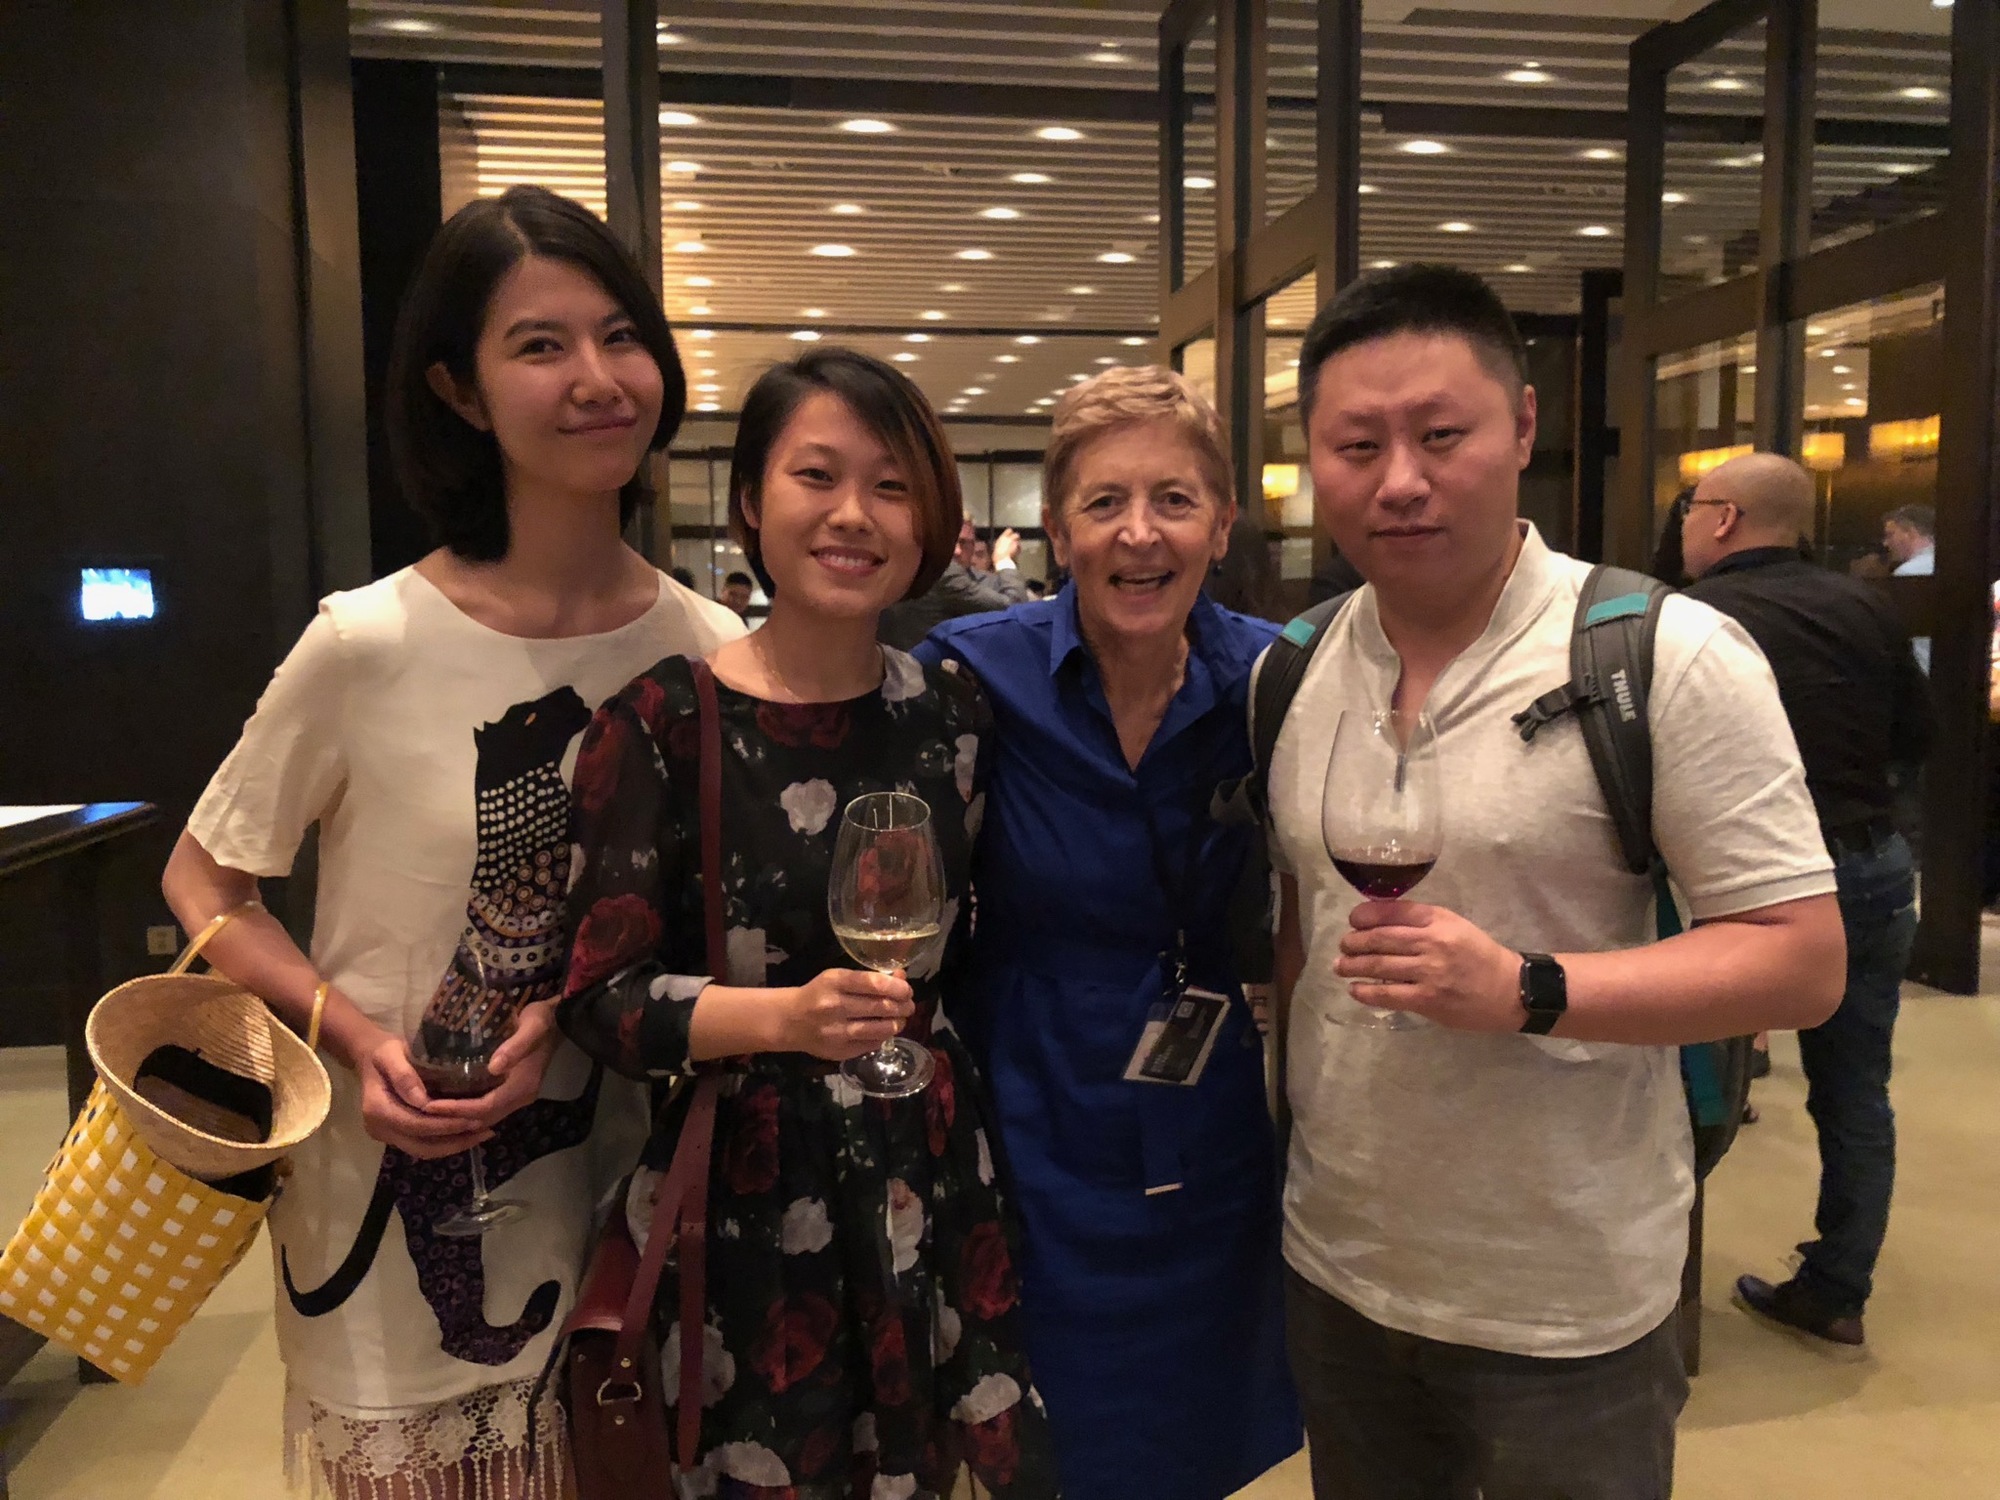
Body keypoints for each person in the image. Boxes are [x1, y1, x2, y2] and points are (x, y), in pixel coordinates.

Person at [159, 185, 743, 1499]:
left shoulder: (707, 652)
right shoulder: (368, 640)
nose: (595, 378)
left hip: (633, 1204)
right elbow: (205, 875)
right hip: (389, 1173)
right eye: (540, 345)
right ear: (460, 392)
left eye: (619, 336)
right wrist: (353, 1037)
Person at [1268, 266, 1846, 1500]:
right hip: (1339, 1266)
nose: (1399, 480)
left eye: (1440, 435)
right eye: (1356, 446)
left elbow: (1800, 959)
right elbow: (1299, 939)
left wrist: (1528, 989)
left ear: (1522, 427)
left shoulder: (1663, 652)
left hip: (1566, 1298)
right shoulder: (1293, 668)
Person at [558, 347, 1055, 1500]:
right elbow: (599, 997)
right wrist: (781, 1018)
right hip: (751, 1187)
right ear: (749, 501)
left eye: (890, 486)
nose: (853, 516)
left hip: (932, 1169)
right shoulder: (664, 722)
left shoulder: (951, 714)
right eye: (816, 477)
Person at [914, 365, 1302, 1500]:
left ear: (1220, 524)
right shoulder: (971, 675)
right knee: (1039, 1435)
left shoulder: (1277, 679)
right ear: (1057, 526)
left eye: (1174, 500)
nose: (1140, 533)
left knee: (1193, 1433)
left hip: (1207, 1111)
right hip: (1026, 1114)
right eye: (1103, 503)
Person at [1681, 451, 1930, 1346]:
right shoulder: (1867, 606)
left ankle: (1655, 1280)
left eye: (1690, 508)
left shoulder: (1694, 622)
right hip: (1870, 865)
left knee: (1686, 1085)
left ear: (1724, 519)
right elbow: (1917, 734)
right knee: (1856, 1086)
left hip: (1740, 881)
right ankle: (1838, 1287)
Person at [877, 516, 1031, 648]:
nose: (957, 551)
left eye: (964, 543)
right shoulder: (943, 572)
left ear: (974, 545)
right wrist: (1004, 560)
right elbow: (1015, 609)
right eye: (950, 541)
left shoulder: (902, 564)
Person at [1883, 503, 1936, 670]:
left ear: (1910, 533)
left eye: (1890, 535)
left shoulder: (1907, 573)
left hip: (1921, 668)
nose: (1886, 543)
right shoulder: (1955, 568)